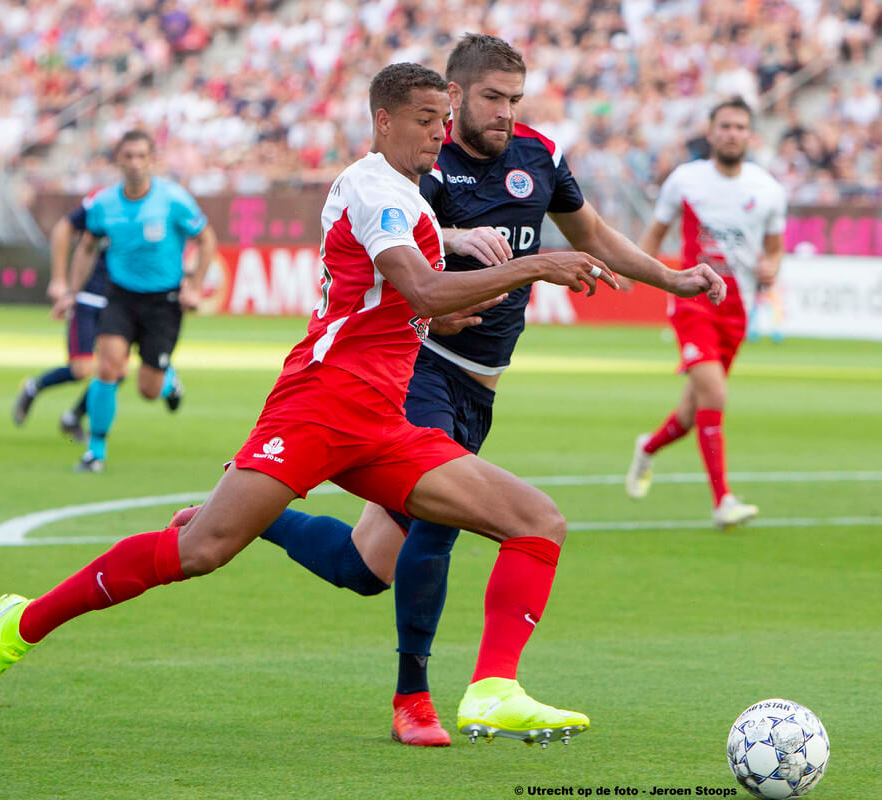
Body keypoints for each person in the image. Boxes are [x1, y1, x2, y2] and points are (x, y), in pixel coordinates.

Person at [0, 62, 629, 749]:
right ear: (383, 121)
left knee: (535, 521)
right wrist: (536, 264)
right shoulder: (377, 190)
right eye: (424, 121)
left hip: (381, 422)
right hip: (319, 406)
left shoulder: (409, 197)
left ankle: (492, 690)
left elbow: (397, 306)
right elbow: (421, 289)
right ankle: (18, 625)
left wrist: (442, 319)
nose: (437, 135)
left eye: (441, 122)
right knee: (201, 551)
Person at [169, 35, 727, 748]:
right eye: (491, 98)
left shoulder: (540, 156)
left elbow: (594, 234)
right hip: (418, 370)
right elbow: (404, 261)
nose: (503, 114)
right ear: (456, 97)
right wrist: (463, 260)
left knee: (365, 567)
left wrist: (672, 279)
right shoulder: (422, 166)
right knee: (441, 525)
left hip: (481, 388)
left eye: (513, 100)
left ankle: (254, 509)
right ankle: (419, 698)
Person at [625, 96, 787, 528]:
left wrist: (773, 268)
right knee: (714, 396)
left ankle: (648, 448)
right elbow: (656, 234)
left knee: (694, 409)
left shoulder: (768, 190)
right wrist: (631, 272)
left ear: (749, 135)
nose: (732, 134)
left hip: (739, 310)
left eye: (740, 127)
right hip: (694, 299)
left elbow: (774, 250)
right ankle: (723, 501)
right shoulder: (686, 180)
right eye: (725, 126)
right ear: (711, 132)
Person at [54, 129, 217, 472]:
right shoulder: (104, 203)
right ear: (118, 160)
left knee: (148, 388)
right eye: (128, 156)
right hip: (121, 296)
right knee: (109, 366)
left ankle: (169, 382)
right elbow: (86, 247)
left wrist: (195, 286)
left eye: (141, 156)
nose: (134, 163)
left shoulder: (173, 200)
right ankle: (95, 452)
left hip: (164, 301)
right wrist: (71, 291)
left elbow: (206, 239)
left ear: (152, 160)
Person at [11, 194, 109, 442]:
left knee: (114, 370)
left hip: (121, 302)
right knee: (82, 369)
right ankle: (34, 386)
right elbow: (72, 236)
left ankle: (74, 417)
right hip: (88, 296)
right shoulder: (107, 206)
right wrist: (66, 287)